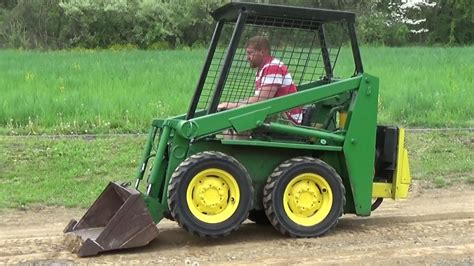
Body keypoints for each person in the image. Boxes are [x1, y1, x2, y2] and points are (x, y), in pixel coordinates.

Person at [218, 36, 303, 125]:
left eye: (250, 53)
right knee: (233, 122)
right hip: (276, 112)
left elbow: (262, 100)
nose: (247, 57)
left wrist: (232, 106)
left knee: (238, 121)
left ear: (262, 52)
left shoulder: (272, 67)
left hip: (288, 120)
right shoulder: (263, 69)